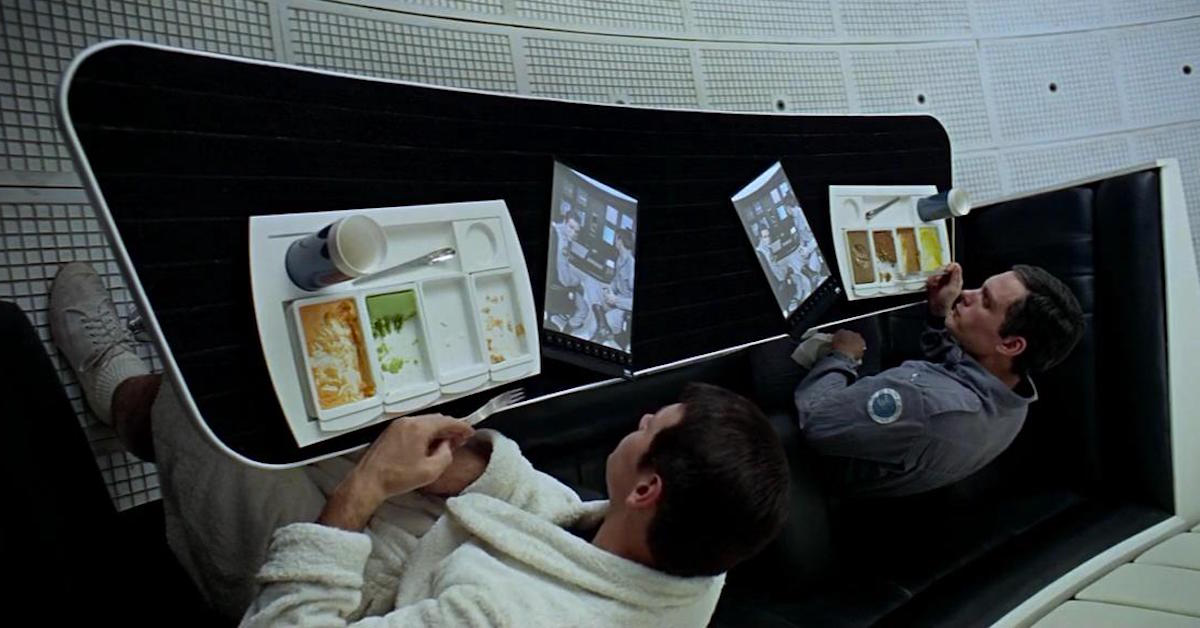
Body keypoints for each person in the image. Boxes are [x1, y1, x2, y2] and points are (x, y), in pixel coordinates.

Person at [48, 262, 791, 625]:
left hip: (344, 599)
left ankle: (124, 395)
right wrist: (474, 467)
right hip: (436, 546)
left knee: (205, 423)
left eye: (651, 429)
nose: (642, 419)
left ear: (648, 488)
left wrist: (364, 492)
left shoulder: (506, 620)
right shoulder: (698, 558)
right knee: (325, 410)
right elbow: (560, 525)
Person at [794, 262, 1084, 498]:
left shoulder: (923, 401)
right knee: (849, 302)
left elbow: (817, 423)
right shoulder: (1012, 400)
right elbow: (958, 366)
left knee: (801, 306)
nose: (966, 294)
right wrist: (939, 315)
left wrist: (842, 357)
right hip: (870, 425)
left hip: (808, 452)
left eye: (985, 302)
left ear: (1010, 345)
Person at [601, 228, 635, 347]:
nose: (614, 241)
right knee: (597, 301)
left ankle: (616, 339)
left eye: (616, 238)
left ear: (620, 240)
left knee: (608, 319)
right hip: (617, 298)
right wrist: (609, 289)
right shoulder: (620, 259)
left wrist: (616, 300)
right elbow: (616, 281)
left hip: (625, 305)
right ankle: (604, 332)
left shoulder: (631, 266)